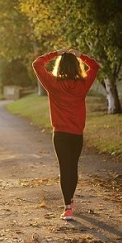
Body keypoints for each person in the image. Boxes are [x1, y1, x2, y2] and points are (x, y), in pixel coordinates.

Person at [32, 48, 100, 220]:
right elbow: (95, 66)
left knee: (65, 168)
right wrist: (80, 55)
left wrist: (56, 53)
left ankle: (68, 207)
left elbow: (37, 64)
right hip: (76, 134)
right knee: (73, 167)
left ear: (59, 66)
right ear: (77, 67)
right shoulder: (83, 85)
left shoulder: (53, 84)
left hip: (60, 134)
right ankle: (70, 200)